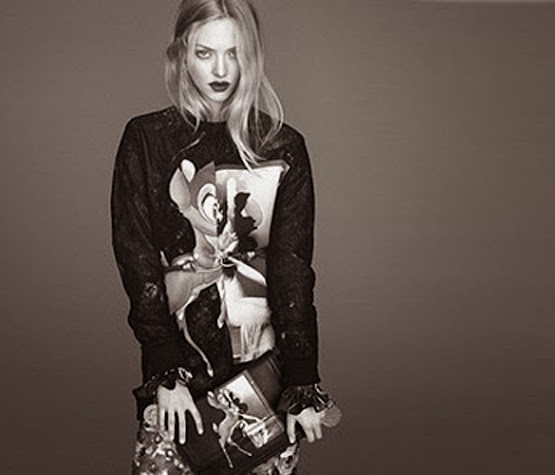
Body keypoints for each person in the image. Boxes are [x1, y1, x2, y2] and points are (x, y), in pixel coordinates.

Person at [111, 1, 338, 473]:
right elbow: (136, 259)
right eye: (205, 53)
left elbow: (293, 271)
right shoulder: (147, 139)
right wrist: (164, 372)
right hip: (179, 380)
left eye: (233, 53)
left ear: (250, 56)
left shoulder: (282, 146)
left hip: (263, 380)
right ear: (182, 54)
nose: (220, 70)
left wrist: (301, 381)